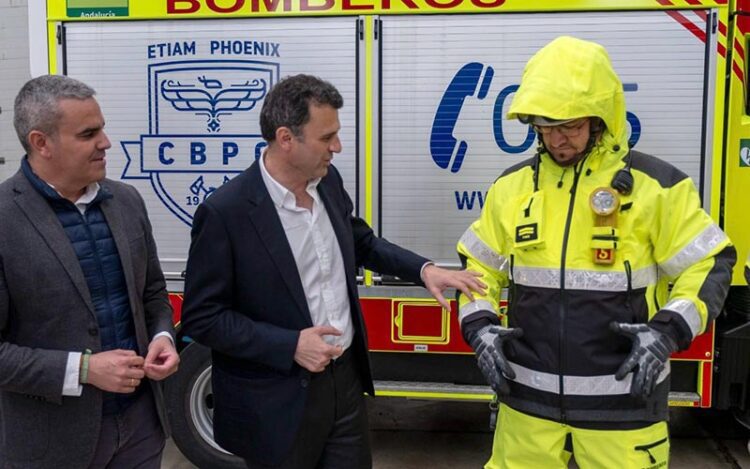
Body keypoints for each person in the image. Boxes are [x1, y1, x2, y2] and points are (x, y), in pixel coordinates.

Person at [457, 36, 736, 468]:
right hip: (527, 407)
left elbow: (710, 262)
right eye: (545, 126)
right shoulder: (512, 188)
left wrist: (667, 332)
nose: (556, 139)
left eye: (568, 125)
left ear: (601, 119)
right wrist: (479, 325)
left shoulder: (656, 187)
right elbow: (477, 267)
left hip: (624, 407)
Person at [181, 73, 485, 469]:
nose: (337, 148)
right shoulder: (226, 213)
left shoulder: (326, 182)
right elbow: (203, 318)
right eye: (327, 138)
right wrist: (289, 344)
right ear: (286, 139)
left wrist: (424, 270)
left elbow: (362, 243)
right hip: (276, 401)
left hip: (344, 384)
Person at [0, 75, 179, 469]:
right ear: (40, 143)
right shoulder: (4, 219)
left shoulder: (126, 201)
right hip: (53, 443)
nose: (106, 142)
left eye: (103, 128)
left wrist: (163, 335)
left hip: (141, 427)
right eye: (88, 133)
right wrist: (83, 370)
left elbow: (152, 292)